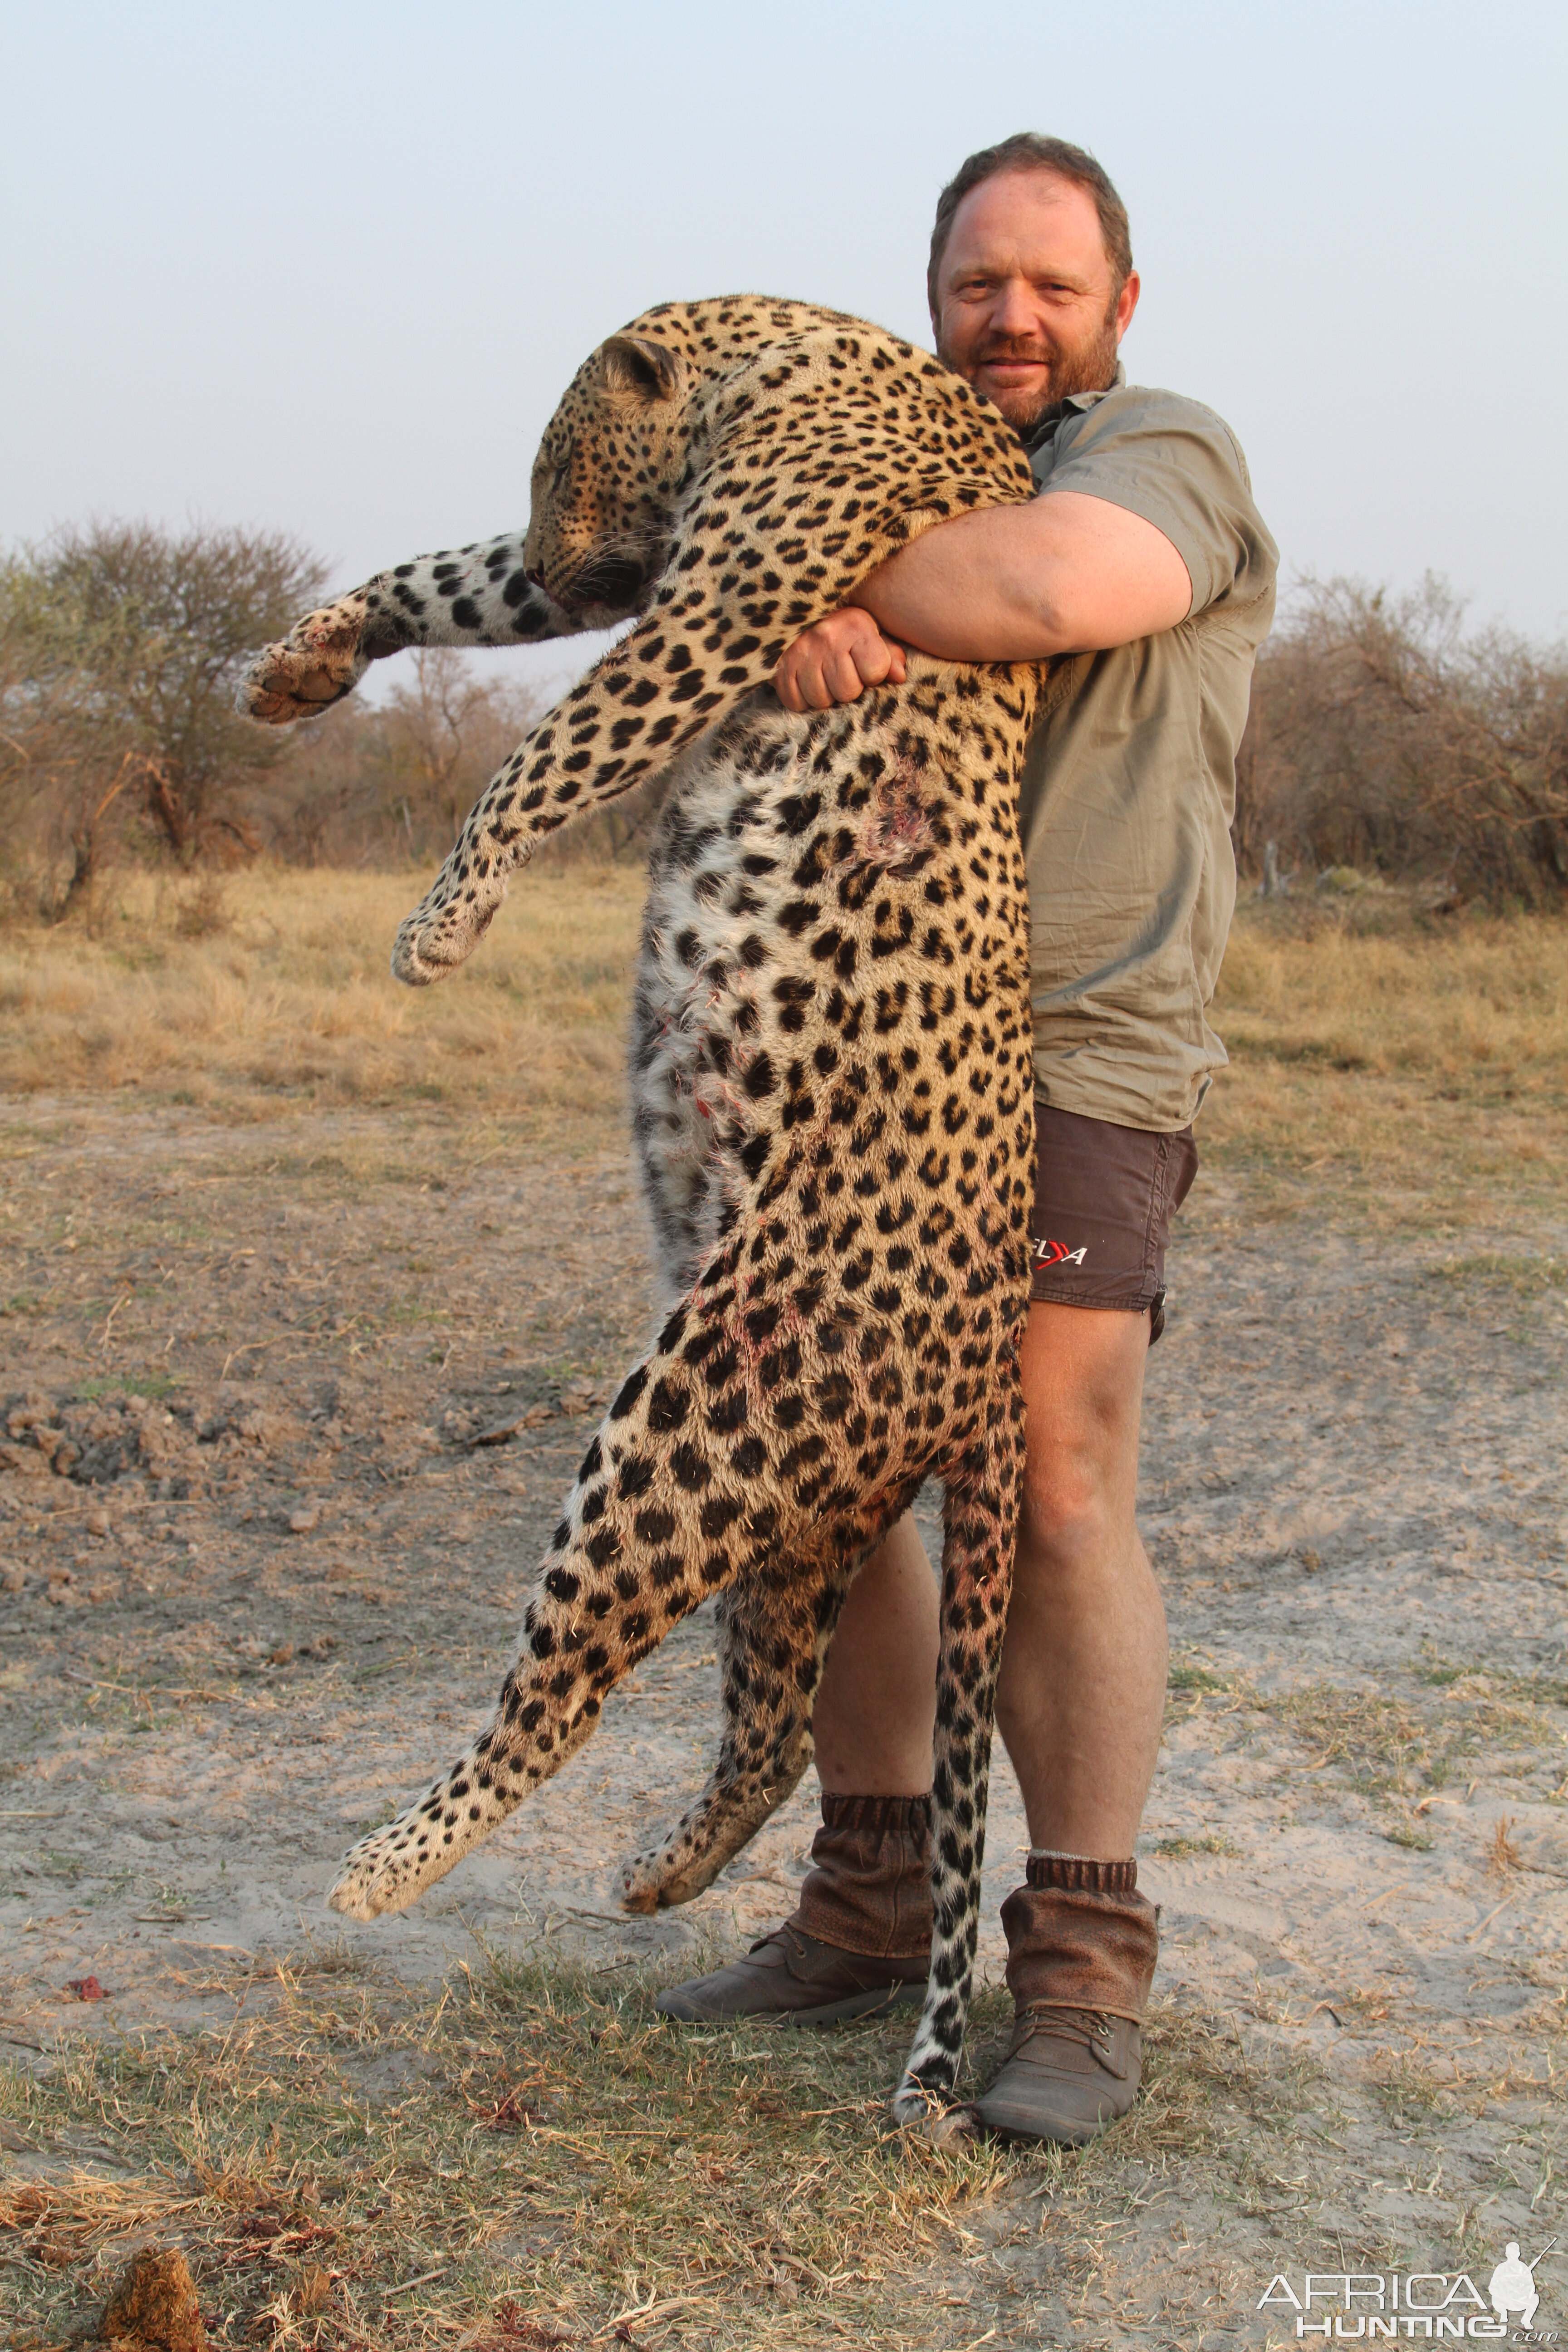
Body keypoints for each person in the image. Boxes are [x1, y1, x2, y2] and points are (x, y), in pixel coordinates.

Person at [656, 132, 1278, 2145]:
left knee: (1055, 1476)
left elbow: (1054, 587)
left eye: (1051, 283)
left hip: (1083, 1044)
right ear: (929, 298)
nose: (1012, 317)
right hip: (851, 1040)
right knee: (817, 1475)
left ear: (1119, 304)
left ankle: (1081, 1971)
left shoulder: (1162, 449)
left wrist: (804, 576)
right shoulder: (893, 466)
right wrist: (797, 623)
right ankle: (859, 1901)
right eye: (975, 283)